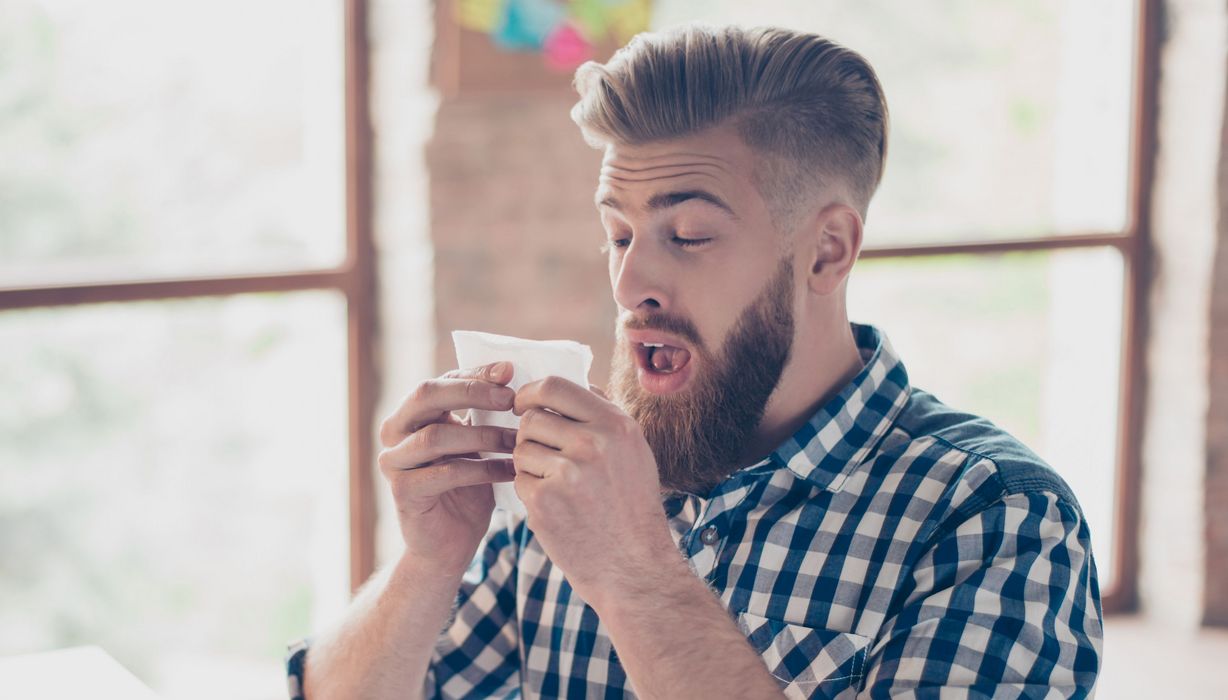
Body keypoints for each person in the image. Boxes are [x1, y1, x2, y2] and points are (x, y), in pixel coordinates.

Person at [287, 24, 1102, 699]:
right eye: (618, 234)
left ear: (825, 251)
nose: (631, 280)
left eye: (689, 237)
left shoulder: (997, 521)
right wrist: (429, 563)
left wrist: (635, 574)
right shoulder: (581, 484)